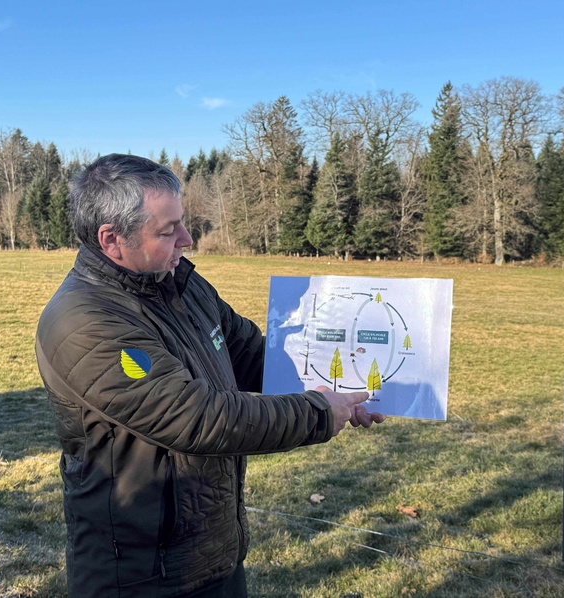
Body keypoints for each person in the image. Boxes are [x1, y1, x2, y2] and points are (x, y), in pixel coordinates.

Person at [35, 153, 385, 597]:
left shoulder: (182, 285)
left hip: (211, 553)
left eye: (182, 222)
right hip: (141, 573)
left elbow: (254, 355)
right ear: (112, 240)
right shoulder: (84, 322)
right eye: (168, 230)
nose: (187, 239)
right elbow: (196, 417)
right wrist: (318, 413)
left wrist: (343, 389)